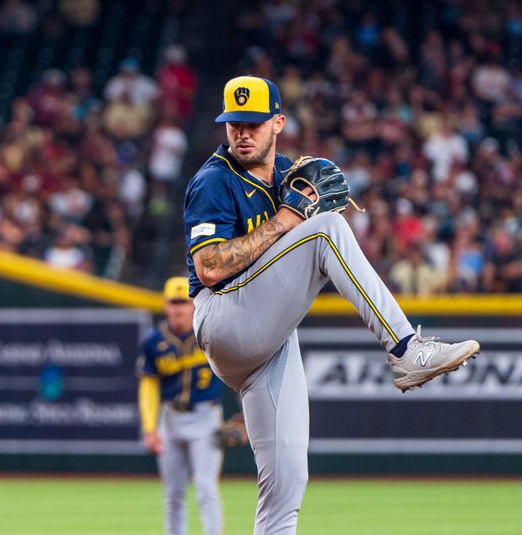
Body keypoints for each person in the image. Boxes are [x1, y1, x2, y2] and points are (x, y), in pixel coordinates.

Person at [183, 76, 480, 535]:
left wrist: (296, 213)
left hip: (268, 341)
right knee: (326, 230)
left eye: (254, 123)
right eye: (234, 124)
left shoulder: (286, 173)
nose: (242, 133)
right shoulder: (213, 181)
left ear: (278, 122)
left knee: (286, 486)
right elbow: (209, 268)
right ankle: (405, 350)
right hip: (223, 317)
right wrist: (286, 220)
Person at [137, 276, 224, 535]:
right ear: (165, 305)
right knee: (173, 496)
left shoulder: (209, 332)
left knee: (206, 490)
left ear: (193, 304)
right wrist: (150, 427)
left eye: (183, 302)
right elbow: (148, 386)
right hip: (171, 419)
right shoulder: (153, 340)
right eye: (173, 302)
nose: (178, 308)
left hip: (206, 417)